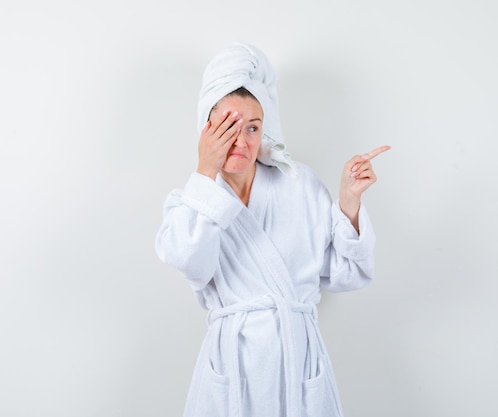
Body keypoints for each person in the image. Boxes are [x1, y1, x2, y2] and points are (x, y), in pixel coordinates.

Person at [154, 42, 390, 417]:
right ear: (206, 128)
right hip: (232, 365)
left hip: (299, 363)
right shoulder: (190, 201)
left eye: (253, 127)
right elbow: (191, 264)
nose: (241, 140)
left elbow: (349, 274)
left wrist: (348, 201)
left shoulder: (298, 185)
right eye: (228, 126)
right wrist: (204, 171)